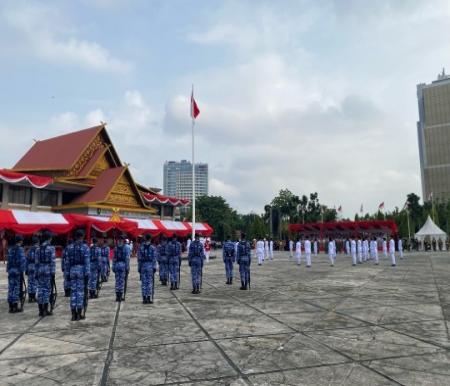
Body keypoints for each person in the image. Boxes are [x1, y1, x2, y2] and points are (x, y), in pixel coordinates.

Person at [66, 230, 90, 321]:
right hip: (81, 271)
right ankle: (79, 314)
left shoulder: (70, 247)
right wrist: (87, 274)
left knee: (73, 292)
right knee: (80, 293)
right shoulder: (85, 247)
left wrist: (67, 274)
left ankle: (73, 314)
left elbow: (67, 262)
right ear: (82, 236)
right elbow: (87, 262)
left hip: (72, 270)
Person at [35, 231, 56, 317]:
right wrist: (53, 272)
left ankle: (40, 310)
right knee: (47, 290)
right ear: (49, 238)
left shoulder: (38, 249)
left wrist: (36, 272)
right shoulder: (51, 248)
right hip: (48, 270)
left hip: (40, 270)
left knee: (40, 289)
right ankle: (45, 309)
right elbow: (52, 262)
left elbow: (36, 262)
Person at [7, 235, 26, 313]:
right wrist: (22, 270)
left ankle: (10, 306)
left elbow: (8, 261)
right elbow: (22, 261)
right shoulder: (20, 249)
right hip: (17, 270)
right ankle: (15, 306)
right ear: (20, 241)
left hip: (11, 270)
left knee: (11, 288)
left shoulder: (10, 249)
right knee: (16, 288)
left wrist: (8, 270)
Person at [138, 234, 157, 303]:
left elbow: (139, 259)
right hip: (150, 266)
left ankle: (144, 298)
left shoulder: (141, 247)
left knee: (143, 283)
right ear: (150, 239)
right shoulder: (153, 248)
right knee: (149, 282)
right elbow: (154, 258)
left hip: (143, 266)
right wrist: (154, 267)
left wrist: (139, 268)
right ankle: (148, 298)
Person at [112, 235, 130, 302]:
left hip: (117, 265)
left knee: (117, 281)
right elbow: (127, 258)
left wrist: (113, 266)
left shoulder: (116, 248)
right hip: (123, 265)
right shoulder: (126, 248)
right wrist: (127, 267)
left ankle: (117, 296)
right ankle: (120, 296)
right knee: (122, 281)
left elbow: (114, 258)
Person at [26, 236, 39, 303]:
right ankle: (33, 297)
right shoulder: (38, 249)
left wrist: (26, 269)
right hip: (35, 266)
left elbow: (26, 260)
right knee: (34, 282)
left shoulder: (29, 250)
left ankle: (30, 297)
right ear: (37, 242)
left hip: (29, 266)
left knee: (30, 282)